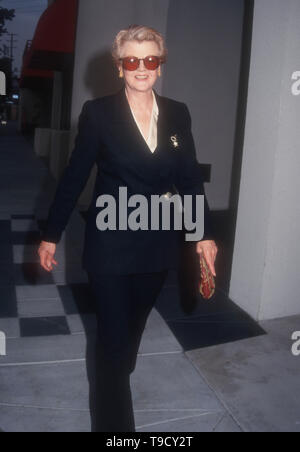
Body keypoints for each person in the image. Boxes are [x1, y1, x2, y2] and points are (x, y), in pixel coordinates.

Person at [38, 25, 218, 432]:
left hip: (158, 244)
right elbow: (74, 176)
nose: (141, 67)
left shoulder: (178, 113)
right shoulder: (98, 113)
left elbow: (189, 179)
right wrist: (52, 233)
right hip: (110, 246)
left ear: (160, 65)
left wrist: (203, 234)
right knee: (112, 346)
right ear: (119, 68)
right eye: (132, 60)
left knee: (132, 329)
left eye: (150, 59)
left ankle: (118, 364)